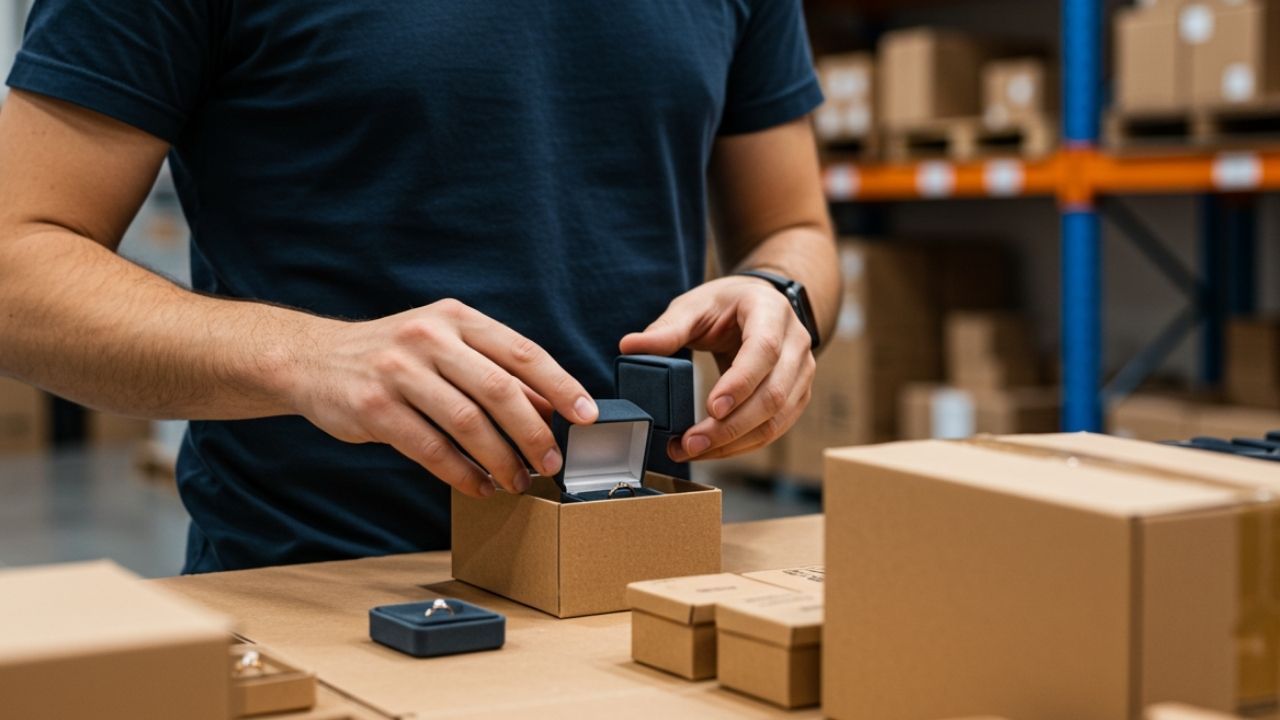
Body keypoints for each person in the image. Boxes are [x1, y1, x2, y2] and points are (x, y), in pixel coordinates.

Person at [0, 1, 839, 573]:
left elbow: (795, 230)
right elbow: (16, 265)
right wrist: (310, 355)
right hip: (322, 591)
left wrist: (780, 295)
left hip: (635, 578)